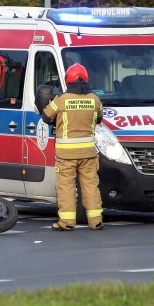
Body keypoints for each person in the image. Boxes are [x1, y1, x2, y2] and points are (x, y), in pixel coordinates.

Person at [40, 64, 104, 231]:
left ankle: (67, 222)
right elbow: (99, 119)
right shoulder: (95, 99)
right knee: (90, 186)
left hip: (66, 155)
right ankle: (95, 221)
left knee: (66, 187)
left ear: (68, 79)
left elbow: (46, 117)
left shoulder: (61, 100)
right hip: (88, 154)